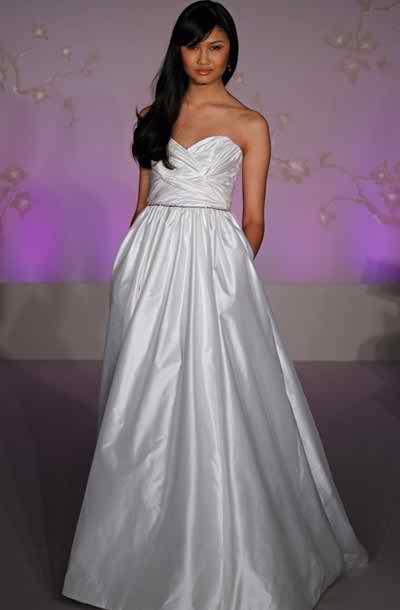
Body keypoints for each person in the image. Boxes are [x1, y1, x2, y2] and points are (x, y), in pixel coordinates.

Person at [62, 2, 369, 609]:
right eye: (192, 45)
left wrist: (227, 280)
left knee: (216, 392)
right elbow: (142, 206)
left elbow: (253, 221)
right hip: (150, 266)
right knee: (142, 397)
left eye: (215, 46)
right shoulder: (153, 116)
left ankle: (227, 548)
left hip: (214, 269)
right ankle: (132, 550)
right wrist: (131, 273)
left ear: (231, 52)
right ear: (177, 50)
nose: (203, 58)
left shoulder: (250, 124)